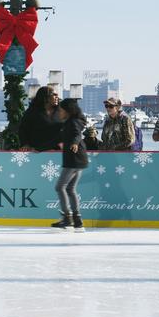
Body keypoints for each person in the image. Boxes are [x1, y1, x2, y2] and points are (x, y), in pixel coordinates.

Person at [51, 98, 89, 232]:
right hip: (76, 159)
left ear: (68, 111)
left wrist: (74, 142)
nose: (59, 112)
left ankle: (67, 218)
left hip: (74, 159)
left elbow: (77, 134)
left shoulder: (73, 122)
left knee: (59, 187)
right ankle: (77, 221)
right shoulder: (70, 121)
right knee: (70, 189)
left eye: (61, 110)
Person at [18, 86, 62, 151]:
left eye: (57, 95)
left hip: (57, 150)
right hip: (37, 150)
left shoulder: (62, 111)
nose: (57, 97)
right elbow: (23, 129)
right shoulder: (32, 111)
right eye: (54, 95)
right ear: (45, 97)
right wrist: (25, 144)